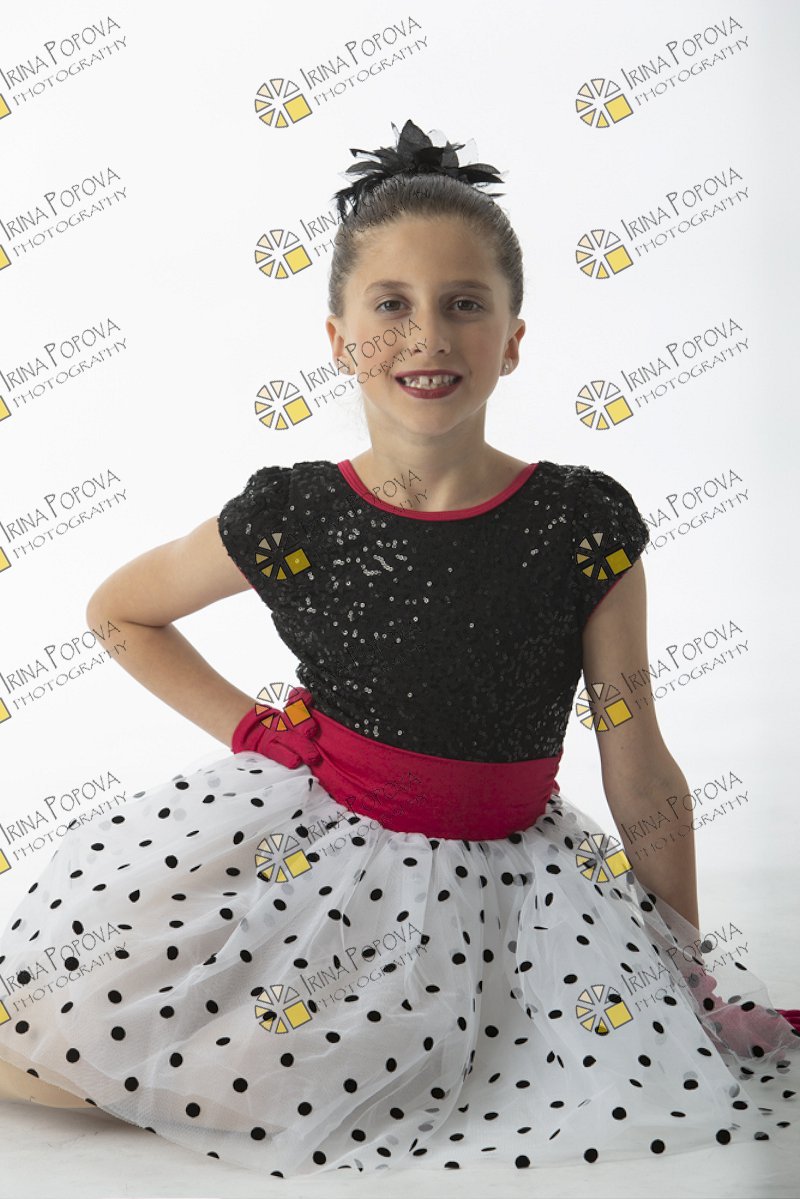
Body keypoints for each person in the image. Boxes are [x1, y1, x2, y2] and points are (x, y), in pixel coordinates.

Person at [0, 118, 796, 1179]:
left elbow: (637, 756)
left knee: (480, 1082)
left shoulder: (581, 522)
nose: (428, 334)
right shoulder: (296, 514)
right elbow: (122, 613)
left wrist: (681, 967)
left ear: (513, 338)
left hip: (518, 890)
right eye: (391, 305)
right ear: (339, 340)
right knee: (87, 1055)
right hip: (327, 862)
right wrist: (254, 730)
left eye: (464, 304)